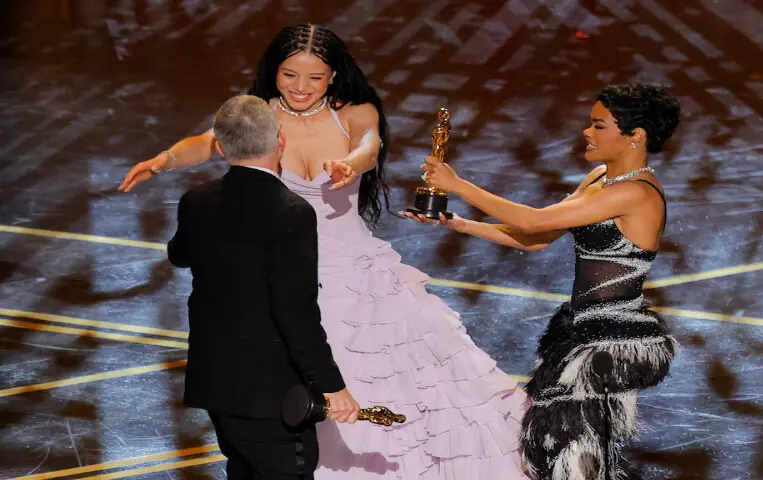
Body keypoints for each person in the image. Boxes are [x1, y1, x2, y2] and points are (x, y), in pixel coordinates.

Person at [123, 24, 530, 479]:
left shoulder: (354, 112)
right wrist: (162, 160)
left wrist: (348, 164)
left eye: (313, 77)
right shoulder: (260, 117)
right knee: (288, 387)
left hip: (355, 278)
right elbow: (205, 142)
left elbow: (369, 148)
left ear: (333, 76)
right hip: (287, 272)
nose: (299, 87)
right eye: (289, 74)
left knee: (402, 385)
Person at [403, 84, 681, 479]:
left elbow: (533, 220)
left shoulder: (636, 193)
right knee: (555, 445)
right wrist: (459, 223)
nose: (587, 132)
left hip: (609, 344)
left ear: (636, 135)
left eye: (599, 125)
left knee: (577, 452)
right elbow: (535, 238)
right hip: (578, 333)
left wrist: (459, 185)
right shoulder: (599, 178)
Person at [167, 94, 360, 479]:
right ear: (281, 140)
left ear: (220, 147)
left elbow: (179, 254)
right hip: (271, 392)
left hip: (218, 384)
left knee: (241, 469)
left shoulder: (196, 201)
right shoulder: (290, 212)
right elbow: (295, 310)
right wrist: (331, 385)